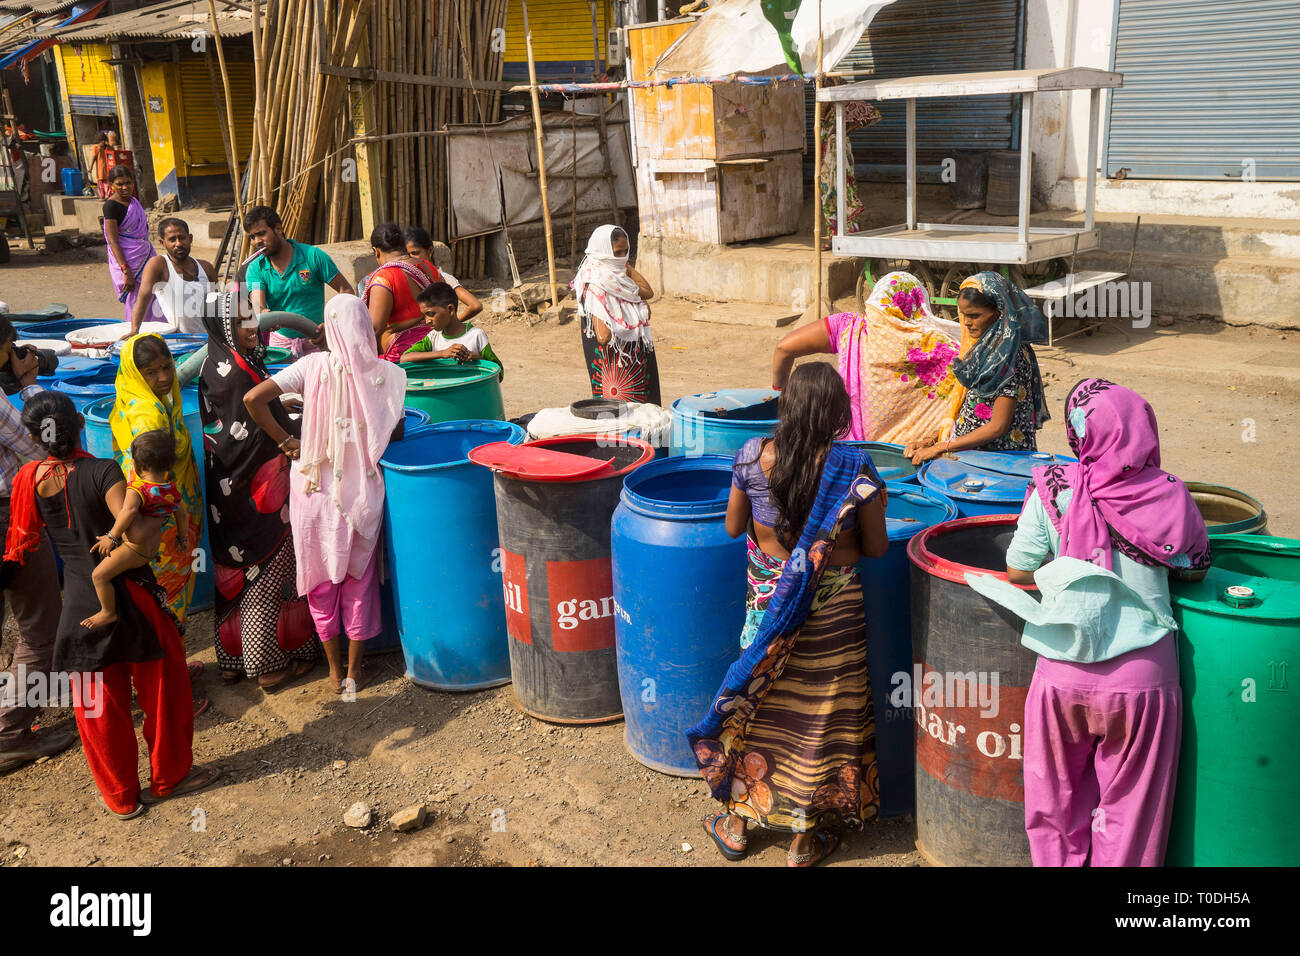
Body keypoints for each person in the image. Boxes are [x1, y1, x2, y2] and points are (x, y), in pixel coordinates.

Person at [967, 378, 1210, 866]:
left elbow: (1019, 568)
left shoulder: (1053, 490)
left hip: (1061, 672)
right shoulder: (1171, 495)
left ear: (1081, 434)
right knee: (1130, 815)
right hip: (1143, 682)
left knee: (1053, 804)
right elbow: (1195, 566)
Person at [692, 362, 888, 867]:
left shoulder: (752, 458)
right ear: (839, 412)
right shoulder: (856, 470)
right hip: (834, 615)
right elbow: (877, 548)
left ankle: (737, 822)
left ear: (788, 407)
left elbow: (736, 528)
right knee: (822, 718)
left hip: (768, 612)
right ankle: (803, 840)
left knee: (757, 706)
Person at [4, 391, 221, 819]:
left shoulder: (28, 479)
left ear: (33, 435)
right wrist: (163, 513)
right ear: (81, 426)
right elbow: (135, 532)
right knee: (164, 692)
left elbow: (26, 540)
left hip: (79, 609)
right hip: (132, 596)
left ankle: (120, 797)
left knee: (97, 708)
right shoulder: (104, 471)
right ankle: (169, 778)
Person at [243, 295, 405, 695]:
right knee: (358, 581)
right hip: (360, 493)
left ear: (329, 328)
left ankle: (332, 670)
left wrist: (288, 440)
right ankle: (354, 671)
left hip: (313, 490)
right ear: (366, 328)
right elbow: (395, 432)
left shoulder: (310, 366)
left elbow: (252, 399)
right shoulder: (386, 374)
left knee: (319, 580)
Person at [199, 302, 319, 689]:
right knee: (270, 570)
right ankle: (266, 664)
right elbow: (256, 417)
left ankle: (234, 658)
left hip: (227, 490)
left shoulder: (218, 361)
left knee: (234, 571)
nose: (252, 326)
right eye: (240, 322)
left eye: (251, 318)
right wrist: (291, 436)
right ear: (223, 326)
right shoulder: (239, 372)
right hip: (257, 491)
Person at [0, 318, 76, 773]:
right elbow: (39, 446)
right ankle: (9, 733)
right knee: (39, 626)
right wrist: (28, 383)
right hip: (9, 521)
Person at [772, 271, 962, 443]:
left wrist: (779, 393)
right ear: (920, 303)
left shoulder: (849, 327)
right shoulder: (942, 347)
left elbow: (783, 348)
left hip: (850, 449)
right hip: (914, 457)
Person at [905, 272, 1051, 463]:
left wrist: (942, 447)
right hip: (973, 454)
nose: (966, 322)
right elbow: (970, 408)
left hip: (998, 462)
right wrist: (931, 440)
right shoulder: (983, 348)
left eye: (975, 316)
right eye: (963, 315)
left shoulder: (1008, 356)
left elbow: (998, 426)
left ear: (999, 312)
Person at [110, 335, 203, 625]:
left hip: (159, 517)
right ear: (137, 374)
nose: (163, 377)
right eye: (151, 372)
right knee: (167, 591)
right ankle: (171, 663)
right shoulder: (148, 416)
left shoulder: (150, 400)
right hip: (161, 524)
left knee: (154, 593)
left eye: (167, 367)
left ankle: (162, 662)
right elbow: (151, 485)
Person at [82, 429, 188, 630]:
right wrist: (183, 538)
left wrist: (111, 537)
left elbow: (128, 512)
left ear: (136, 465)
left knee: (98, 576)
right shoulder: (172, 490)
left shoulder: (138, 489)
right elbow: (181, 515)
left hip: (134, 550)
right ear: (170, 464)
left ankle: (108, 612)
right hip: (151, 550)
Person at [243, 205, 354, 357]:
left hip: (319, 341)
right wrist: (263, 313)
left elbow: (346, 291)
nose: (257, 241)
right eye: (252, 237)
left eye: (261, 234)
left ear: (278, 229)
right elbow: (258, 306)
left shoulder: (313, 256)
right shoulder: (256, 268)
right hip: (281, 347)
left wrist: (331, 326)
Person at [365, 222, 482, 361]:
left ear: (376, 251)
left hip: (404, 355)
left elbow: (374, 329)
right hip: (437, 345)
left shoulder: (384, 277)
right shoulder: (428, 268)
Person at [572, 225, 659, 405]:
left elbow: (648, 292)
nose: (622, 257)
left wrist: (626, 269)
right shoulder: (595, 281)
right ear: (602, 251)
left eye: (626, 251)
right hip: (615, 365)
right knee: (619, 415)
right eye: (618, 252)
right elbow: (603, 337)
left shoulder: (619, 276)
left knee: (644, 412)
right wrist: (630, 312)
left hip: (635, 360)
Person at [818, 79, 882, 247]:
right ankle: (834, 236)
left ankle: (851, 234)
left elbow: (873, 114)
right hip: (826, 156)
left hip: (840, 154)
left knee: (844, 192)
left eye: (825, 85)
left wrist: (847, 130)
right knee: (827, 194)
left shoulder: (843, 103)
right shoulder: (821, 108)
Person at [128, 218, 216, 336]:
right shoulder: (158, 265)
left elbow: (217, 306)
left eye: (182, 238)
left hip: (210, 340)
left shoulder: (206, 267)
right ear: (162, 243)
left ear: (190, 239)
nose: (178, 243)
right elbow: (142, 300)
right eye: (172, 239)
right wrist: (134, 330)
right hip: (182, 342)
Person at [102, 166, 165, 327]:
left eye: (128, 183)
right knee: (136, 300)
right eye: (119, 184)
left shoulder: (134, 202)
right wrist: (126, 270)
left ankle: (160, 333)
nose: (125, 187)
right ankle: (137, 335)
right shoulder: (111, 207)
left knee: (155, 295)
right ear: (111, 185)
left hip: (145, 254)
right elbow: (113, 241)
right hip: (128, 262)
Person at [399, 282, 503, 378]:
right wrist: (442, 353)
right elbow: (404, 358)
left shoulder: (476, 336)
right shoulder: (433, 337)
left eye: (430, 314)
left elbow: (499, 374)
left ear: (450, 309)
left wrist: (478, 360)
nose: (427, 321)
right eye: (424, 316)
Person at [89, 130, 119, 199]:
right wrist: (90, 167)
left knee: (105, 182)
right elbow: (94, 158)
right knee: (102, 182)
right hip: (102, 168)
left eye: (103, 140)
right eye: (101, 141)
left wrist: (90, 167)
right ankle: (104, 196)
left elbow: (112, 155)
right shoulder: (97, 148)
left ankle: (106, 196)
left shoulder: (106, 147)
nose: (102, 142)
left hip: (106, 168)